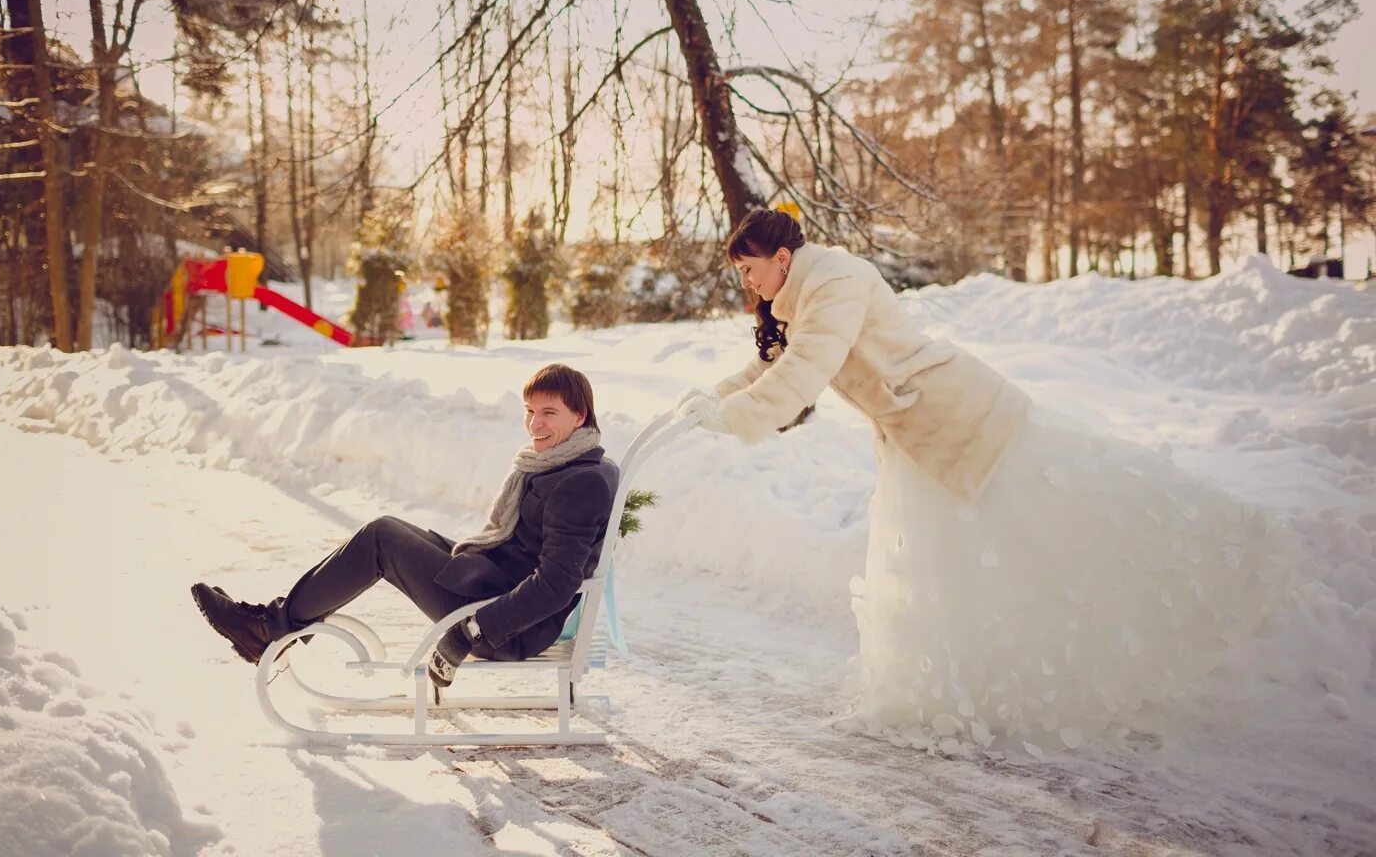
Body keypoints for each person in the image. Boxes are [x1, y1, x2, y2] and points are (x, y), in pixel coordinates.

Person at [676, 208, 1286, 753]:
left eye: (749, 268)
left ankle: (1208, 558)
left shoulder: (835, 280)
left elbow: (808, 367)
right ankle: (952, 692)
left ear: (782, 258)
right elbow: (771, 363)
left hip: (961, 419)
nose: (746, 282)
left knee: (1041, 525)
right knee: (947, 567)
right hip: (918, 437)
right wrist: (714, 399)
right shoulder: (803, 295)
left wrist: (733, 417)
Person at [191, 363, 619, 695]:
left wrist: (475, 628)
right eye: (529, 411)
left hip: (506, 624)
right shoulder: (572, 462)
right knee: (393, 528)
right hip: (499, 583)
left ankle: (269, 629)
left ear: (579, 415)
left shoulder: (578, 482)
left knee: (383, 538)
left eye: (549, 413)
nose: (534, 425)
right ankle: (274, 623)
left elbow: (557, 582)